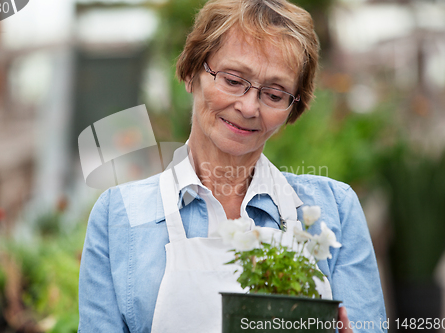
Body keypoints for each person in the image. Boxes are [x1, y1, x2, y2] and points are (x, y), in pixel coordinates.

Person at [78, 0, 387, 332]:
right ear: (191, 73)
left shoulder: (334, 211)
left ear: (292, 109)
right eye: (232, 79)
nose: (249, 106)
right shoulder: (118, 217)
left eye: (275, 93)